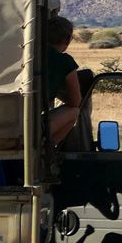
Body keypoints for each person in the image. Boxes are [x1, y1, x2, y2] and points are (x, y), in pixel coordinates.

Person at [44, 15, 82, 146]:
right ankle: (47, 149)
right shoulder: (64, 61)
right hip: (31, 126)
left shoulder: (28, 56)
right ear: (67, 39)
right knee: (74, 112)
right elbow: (75, 102)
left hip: (10, 122)